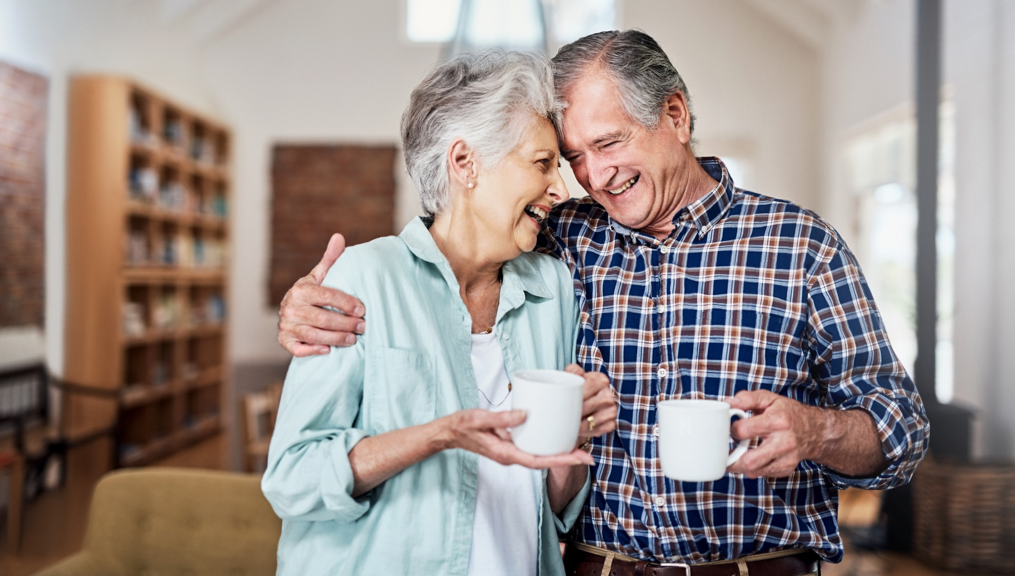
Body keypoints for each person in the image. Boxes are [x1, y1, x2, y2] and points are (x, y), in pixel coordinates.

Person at [276, 30, 929, 575]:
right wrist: (311, 302)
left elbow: (902, 430)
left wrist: (817, 431)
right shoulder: (559, 242)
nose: (589, 177)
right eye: (570, 156)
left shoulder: (800, 246)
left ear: (673, 115)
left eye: (609, 143)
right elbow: (456, 236)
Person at [261, 50, 617, 576]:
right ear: (465, 162)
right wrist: (439, 435)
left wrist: (576, 436)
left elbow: (555, 505)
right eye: (542, 164)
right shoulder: (365, 279)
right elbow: (293, 478)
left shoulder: (553, 290)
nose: (560, 188)